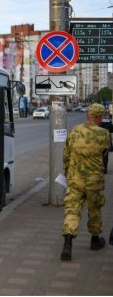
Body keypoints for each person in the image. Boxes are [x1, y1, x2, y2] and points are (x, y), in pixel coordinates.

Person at [60, 103, 111, 261]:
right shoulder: (104, 134)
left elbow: (66, 153)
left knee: (72, 210)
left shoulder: (75, 130)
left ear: (88, 115)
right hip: (94, 180)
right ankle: (95, 240)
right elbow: (105, 153)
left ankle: (67, 244)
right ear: (100, 117)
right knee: (95, 209)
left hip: (75, 178)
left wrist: (68, 171)